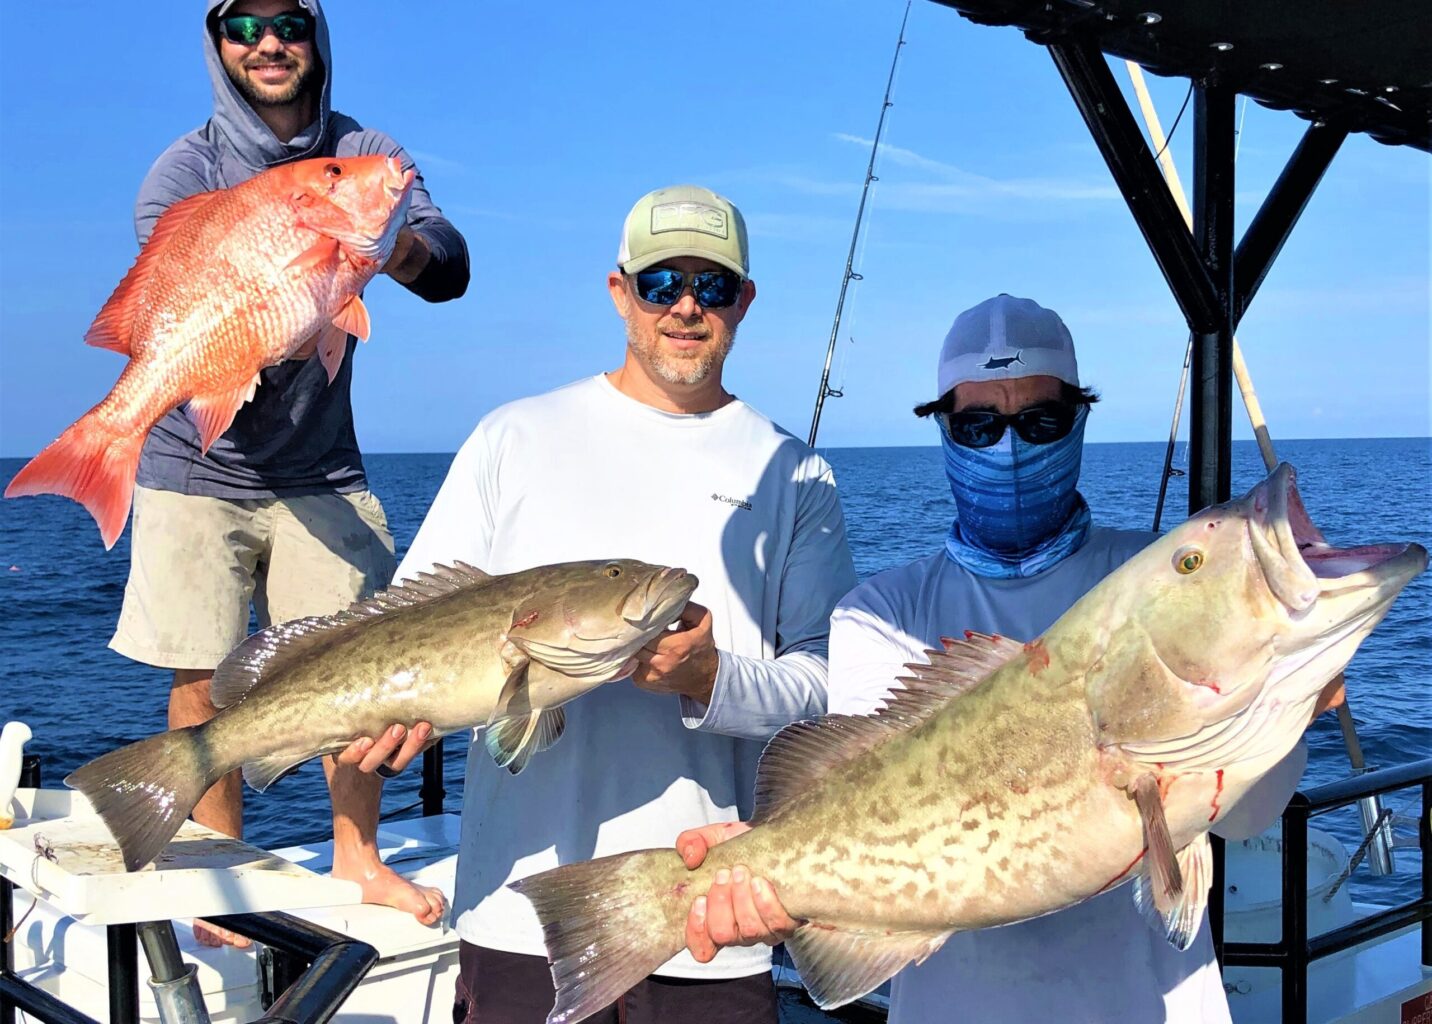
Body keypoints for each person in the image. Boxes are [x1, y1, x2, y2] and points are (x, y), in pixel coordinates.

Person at [676, 294, 1332, 1022]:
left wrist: (1293, 693)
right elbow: (856, 796)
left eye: (1041, 420)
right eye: (978, 425)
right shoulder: (880, 611)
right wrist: (764, 875)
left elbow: (1246, 817)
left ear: (1080, 419)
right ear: (944, 430)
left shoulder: (1141, 574)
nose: (1009, 446)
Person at [358, 184, 856, 1023]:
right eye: (662, 283)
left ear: (745, 301)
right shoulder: (512, 438)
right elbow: (409, 630)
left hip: (707, 925)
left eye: (713, 285)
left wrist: (712, 680)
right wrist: (387, 717)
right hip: (517, 920)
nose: (687, 306)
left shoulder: (797, 473)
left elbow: (832, 689)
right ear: (620, 292)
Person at [107, 0, 469, 947]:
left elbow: (449, 266)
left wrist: (384, 247)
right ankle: (215, 873)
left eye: (289, 25)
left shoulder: (366, 153)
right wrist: (276, 312)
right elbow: (180, 306)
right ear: (217, 44)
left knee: (361, 669)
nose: (268, 44)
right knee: (202, 672)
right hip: (193, 463)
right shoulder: (182, 172)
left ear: (317, 38)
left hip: (323, 468)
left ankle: (359, 856)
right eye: (243, 27)